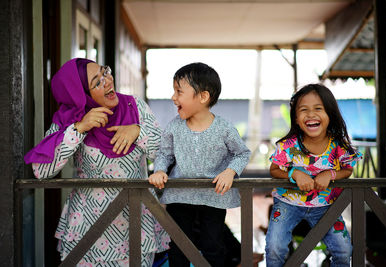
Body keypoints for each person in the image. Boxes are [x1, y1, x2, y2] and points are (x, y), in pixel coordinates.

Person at [24, 58, 170, 266]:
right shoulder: (69, 119)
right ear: (81, 94)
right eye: (97, 82)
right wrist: (79, 128)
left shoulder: (135, 106)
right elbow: (41, 170)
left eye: (105, 72)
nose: (108, 81)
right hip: (88, 230)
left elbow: (166, 153)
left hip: (135, 226)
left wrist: (138, 131)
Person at [148, 62, 251, 266]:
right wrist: (159, 170)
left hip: (214, 198)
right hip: (179, 198)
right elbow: (165, 154)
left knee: (212, 246)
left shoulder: (224, 128)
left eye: (179, 92)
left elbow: (242, 153)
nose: (173, 97)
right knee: (179, 247)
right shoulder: (174, 127)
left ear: (203, 97)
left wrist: (230, 172)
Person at [265, 84, 362, 267]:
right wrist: (294, 173)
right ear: (296, 117)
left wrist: (330, 174)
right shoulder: (288, 145)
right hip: (287, 203)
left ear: (330, 114)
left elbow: (348, 170)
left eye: (318, 108)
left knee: (343, 250)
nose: (310, 114)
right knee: (274, 248)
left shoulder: (338, 144)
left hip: (326, 206)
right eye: (304, 110)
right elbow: (274, 169)